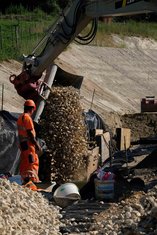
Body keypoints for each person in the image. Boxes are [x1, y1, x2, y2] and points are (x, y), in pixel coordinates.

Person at [17, 99, 42, 184]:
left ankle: (24, 180)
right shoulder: (27, 118)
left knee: (25, 162)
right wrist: (37, 145)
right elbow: (30, 133)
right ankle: (33, 181)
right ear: (32, 109)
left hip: (23, 143)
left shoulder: (20, 117)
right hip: (28, 144)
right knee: (32, 162)